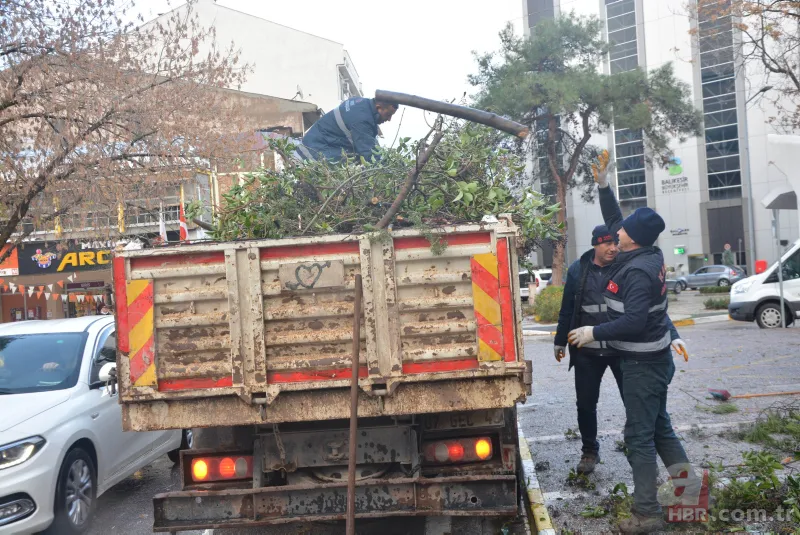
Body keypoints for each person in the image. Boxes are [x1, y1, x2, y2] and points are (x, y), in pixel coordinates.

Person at [568, 154, 695, 534]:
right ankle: (690, 495)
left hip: (644, 366)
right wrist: (603, 184)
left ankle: (647, 514)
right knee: (661, 429)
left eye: (622, 230)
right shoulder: (643, 251)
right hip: (650, 361)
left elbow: (635, 321)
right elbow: (613, 217)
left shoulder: (638, 270)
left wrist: (593, 333)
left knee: (639, 437)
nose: (616, 231)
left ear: (632, 238)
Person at [555, 225, 683, 476]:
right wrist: (560, 341)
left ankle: (641, 450)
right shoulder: (578, 270)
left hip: (622, 350)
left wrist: (673, 336)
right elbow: (567, 309)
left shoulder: (627, 268)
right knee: (585, 404)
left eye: (615, 243)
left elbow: (649, 310)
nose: (613, 248)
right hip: (587, 351)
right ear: (595, 244)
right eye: (607, 243)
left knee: (634, 404)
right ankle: (589, 451)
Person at [297, 97, 399, 162]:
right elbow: (369, 154)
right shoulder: (362, 120)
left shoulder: (360, 102)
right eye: (388, 114)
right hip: (312, 154)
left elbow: (371, 143)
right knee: (359, 160)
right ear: (378, 107)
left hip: (310, 146)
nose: (389, 119)